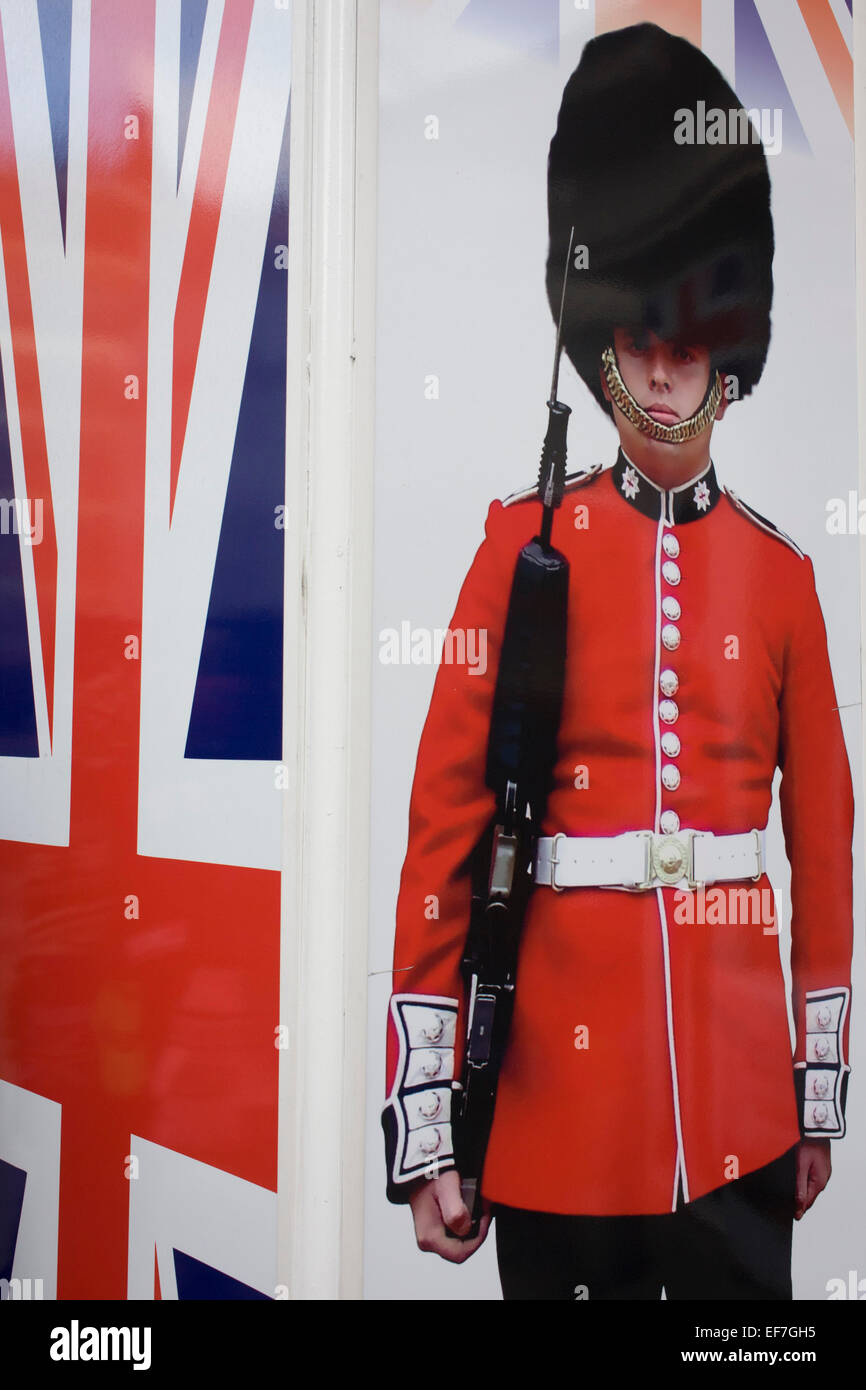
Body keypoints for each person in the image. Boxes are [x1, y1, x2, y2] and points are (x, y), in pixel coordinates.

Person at [381, 23, 853, 1300]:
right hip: (554, 1115)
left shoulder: (784, 582)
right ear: (596, 339)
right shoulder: (516, 551)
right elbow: (443, 835)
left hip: (739, 1107)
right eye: (636, 332)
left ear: (728, 350)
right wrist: (433, 1122)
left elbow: (822, 845)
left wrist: (811, 1091)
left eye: (688, 337)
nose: (658, 364)